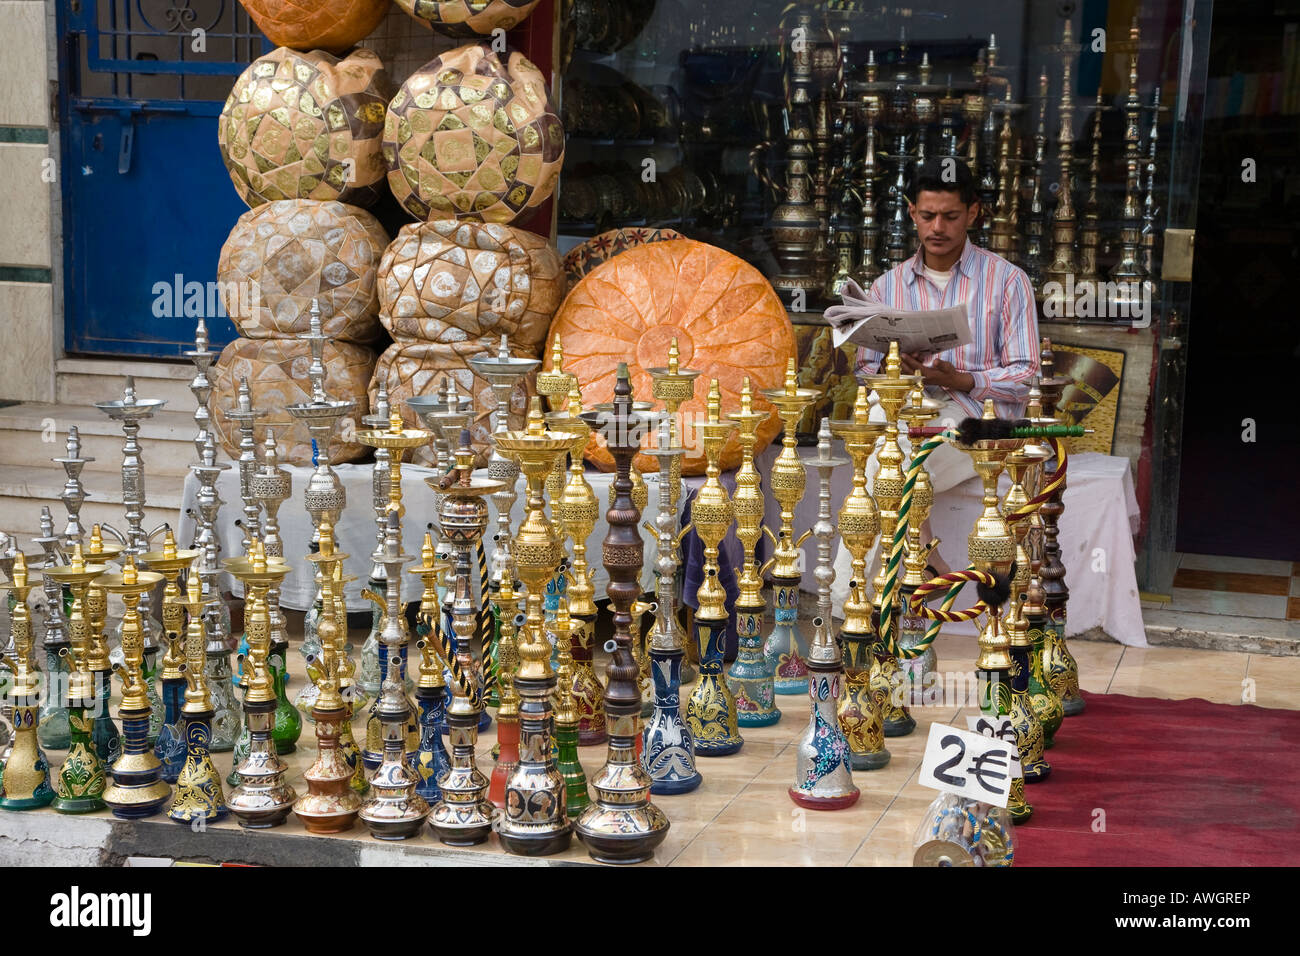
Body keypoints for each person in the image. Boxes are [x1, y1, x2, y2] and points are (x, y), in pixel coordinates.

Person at [851, 157, 1039, 577]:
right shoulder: (887, 286)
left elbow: (1028, 376)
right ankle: (923, 559)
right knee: (887, 442)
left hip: (977, 424)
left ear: (973, 213)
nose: (937, 228)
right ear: (912, 213)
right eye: (928, 215)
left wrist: (962, 379)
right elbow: (865, 373)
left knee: (884, 466)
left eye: (950, 216)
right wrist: (892, 365)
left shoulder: (1007, 281)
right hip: (903, 415)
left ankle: (854, 608)